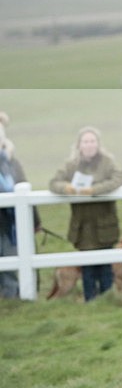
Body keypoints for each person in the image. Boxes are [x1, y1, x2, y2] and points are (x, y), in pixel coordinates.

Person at [49, 127, 122, 302]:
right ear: (79, 145)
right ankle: (90, 300)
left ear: (98, 144)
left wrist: (94, 190)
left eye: (93, 141)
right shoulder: (70, 165)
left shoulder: (108, 162)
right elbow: (54, 183)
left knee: (106, 265)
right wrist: (66, 188)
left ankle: (107, 299)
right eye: (86, 141)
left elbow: (118, 178)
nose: (89, 145)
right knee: (88, 267)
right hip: (82, 225)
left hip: (105, 223)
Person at [0, 117, 41, 298]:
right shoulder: (6, 160)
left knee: (13, 259)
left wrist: (35, 221)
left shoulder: (13, 163)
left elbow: (23, 188)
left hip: (11, 224)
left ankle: (16, 297)